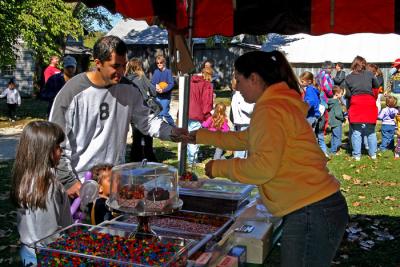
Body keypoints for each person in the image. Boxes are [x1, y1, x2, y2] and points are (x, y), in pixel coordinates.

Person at [190, 50, 348, 267]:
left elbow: (262, 168)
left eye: (238, 78)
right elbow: (245, 138)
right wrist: (199, 135)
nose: (235, 85)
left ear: (254, 78)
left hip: (312, 209)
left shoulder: (270, 108)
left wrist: (218, 167)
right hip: (315, 206)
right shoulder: (277, 104)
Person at [49, 35, 188, 198]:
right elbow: (54, 142)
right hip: (79, 184)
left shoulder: (129, 89)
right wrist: (68, 181)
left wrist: (171, 132)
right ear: (98, 63)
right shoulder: (72, 93)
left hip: (114, 183)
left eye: (124, 65)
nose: (121, 72)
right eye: (115, 66)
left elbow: (148, 121)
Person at [10, 121, 73, 266]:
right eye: (57, 147)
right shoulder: (47, 186)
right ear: (44, 152)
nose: (61, 152)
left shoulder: (25, 177)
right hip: (46, 256)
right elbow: (48, 235)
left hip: (28, 251)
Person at [344, 55, 379, 161]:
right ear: (364, 64)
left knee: (356, 132)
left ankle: (357, 155)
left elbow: (348, 95)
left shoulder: (348, 77)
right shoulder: (370, 74)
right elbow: (376, 86)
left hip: (356, 103)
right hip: (369, 102)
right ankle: (373, 154)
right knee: (371, 131)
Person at [125, 58, 158, 162]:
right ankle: (149, 157)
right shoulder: (141, 77)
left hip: (132, 111)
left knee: (136, 137)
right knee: (147, 136)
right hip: (144, 110)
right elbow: (153, 91)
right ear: (139, 66)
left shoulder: (125, 79)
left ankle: (135, 159)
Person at [187, 66, 214, 164]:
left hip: (186, 111)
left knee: (187, 134)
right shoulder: (207, 85)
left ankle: (189, 157)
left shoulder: (190, 81)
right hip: (197, 114)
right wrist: (208, 116)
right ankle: (192, 160)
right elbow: (207, 103)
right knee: (194, 136)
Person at [230, 75, 254, 159]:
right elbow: (248, 109)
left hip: (240, 122)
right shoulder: (241, 94)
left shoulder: (236, 94)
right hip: (245, 122)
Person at [151, 55, 175, 126]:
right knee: (159, 113)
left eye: (161, 62)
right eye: (157, 63)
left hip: (165, 97)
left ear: (164, 63)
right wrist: (156, 86)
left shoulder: (168, 72)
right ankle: (160, 128)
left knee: (164, 113)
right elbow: (152, 82)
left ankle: (173, 125)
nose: (159, 64)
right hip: (158, 96)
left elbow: (171, 84)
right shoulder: (156, 72)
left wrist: (163, 90)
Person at [328, 86, 345, 155]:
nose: (342, 95)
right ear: (337, 94)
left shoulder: (331, 101)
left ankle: (332, 149)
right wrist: (343, 118)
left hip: (332, 122)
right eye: (341, 93)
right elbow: (338, 114)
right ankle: (334, 151)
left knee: (334, 136)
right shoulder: (336, 103)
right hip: (337, 122)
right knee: (338, 137)